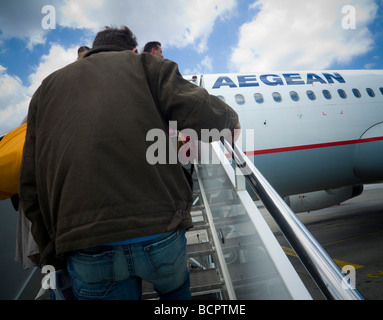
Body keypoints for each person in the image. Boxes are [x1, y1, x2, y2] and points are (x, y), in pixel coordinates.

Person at [20, 25, 240, 300]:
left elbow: (30, 184)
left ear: (94, 47)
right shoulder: (146, 65)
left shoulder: (46, 90)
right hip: (160, 230)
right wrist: (231, 120)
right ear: (133, 50)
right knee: (175, 293)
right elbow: (199, 108)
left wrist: (52, 249)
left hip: (85, 243)